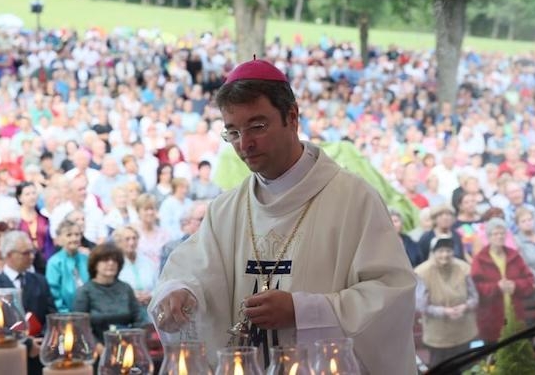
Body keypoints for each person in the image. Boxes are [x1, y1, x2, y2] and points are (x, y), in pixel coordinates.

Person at [149, 59, 417, 373]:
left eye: (257, 126)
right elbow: (192, 271)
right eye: (233, 132)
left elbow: (391, 295)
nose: (244, 144)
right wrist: (181, 293)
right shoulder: (227, 209)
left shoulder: (354, 200)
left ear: (292, 117)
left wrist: (302, 311)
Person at [0, 230, 57, 375]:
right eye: (26, 253)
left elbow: (51, 314)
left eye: (32, 252)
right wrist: (26, 343)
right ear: (9, 255)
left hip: (39, 355)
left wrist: (43, 340)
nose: (31, 256)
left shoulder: (39, 281)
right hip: (7, 356)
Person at [415, 237, 478, 373]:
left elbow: (475, 297)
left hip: (464, 331)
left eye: (449, 250)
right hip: (438, 336)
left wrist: (465, 306)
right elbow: (420, 305)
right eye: (441, 251)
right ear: (433, 252)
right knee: (441, 369)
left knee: (466, 368)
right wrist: (444, 311)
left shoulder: (464, 268)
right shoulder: (422, 272)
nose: (445, 255)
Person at [471, 217, 535, 344]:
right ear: (488, 237)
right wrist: (497, 287)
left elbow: (529, 280)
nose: (499, 237)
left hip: (516, 315)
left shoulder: (514, 256)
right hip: (491, 317)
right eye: (495, 234)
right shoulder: (480, 259)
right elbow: (475, 287)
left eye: (502, 233)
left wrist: (515, 285)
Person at [72, 243, 146, 344]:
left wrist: (131, 342)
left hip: (126, 345)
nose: (111, 263)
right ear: (95, 264)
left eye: (115, 260)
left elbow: (139, 319)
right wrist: (100, 349)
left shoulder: (126, 288)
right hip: (95, 347)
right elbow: (79, 326)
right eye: (105, 260)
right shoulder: (84, 291)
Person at [45, 219, 89, 312]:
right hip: (65, 315)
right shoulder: (54, 262)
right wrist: (65, 314)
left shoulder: (86, 259)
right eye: (69, 235)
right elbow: (54, 293)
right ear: (59, 239)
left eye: (77, 235)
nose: (74, 238)